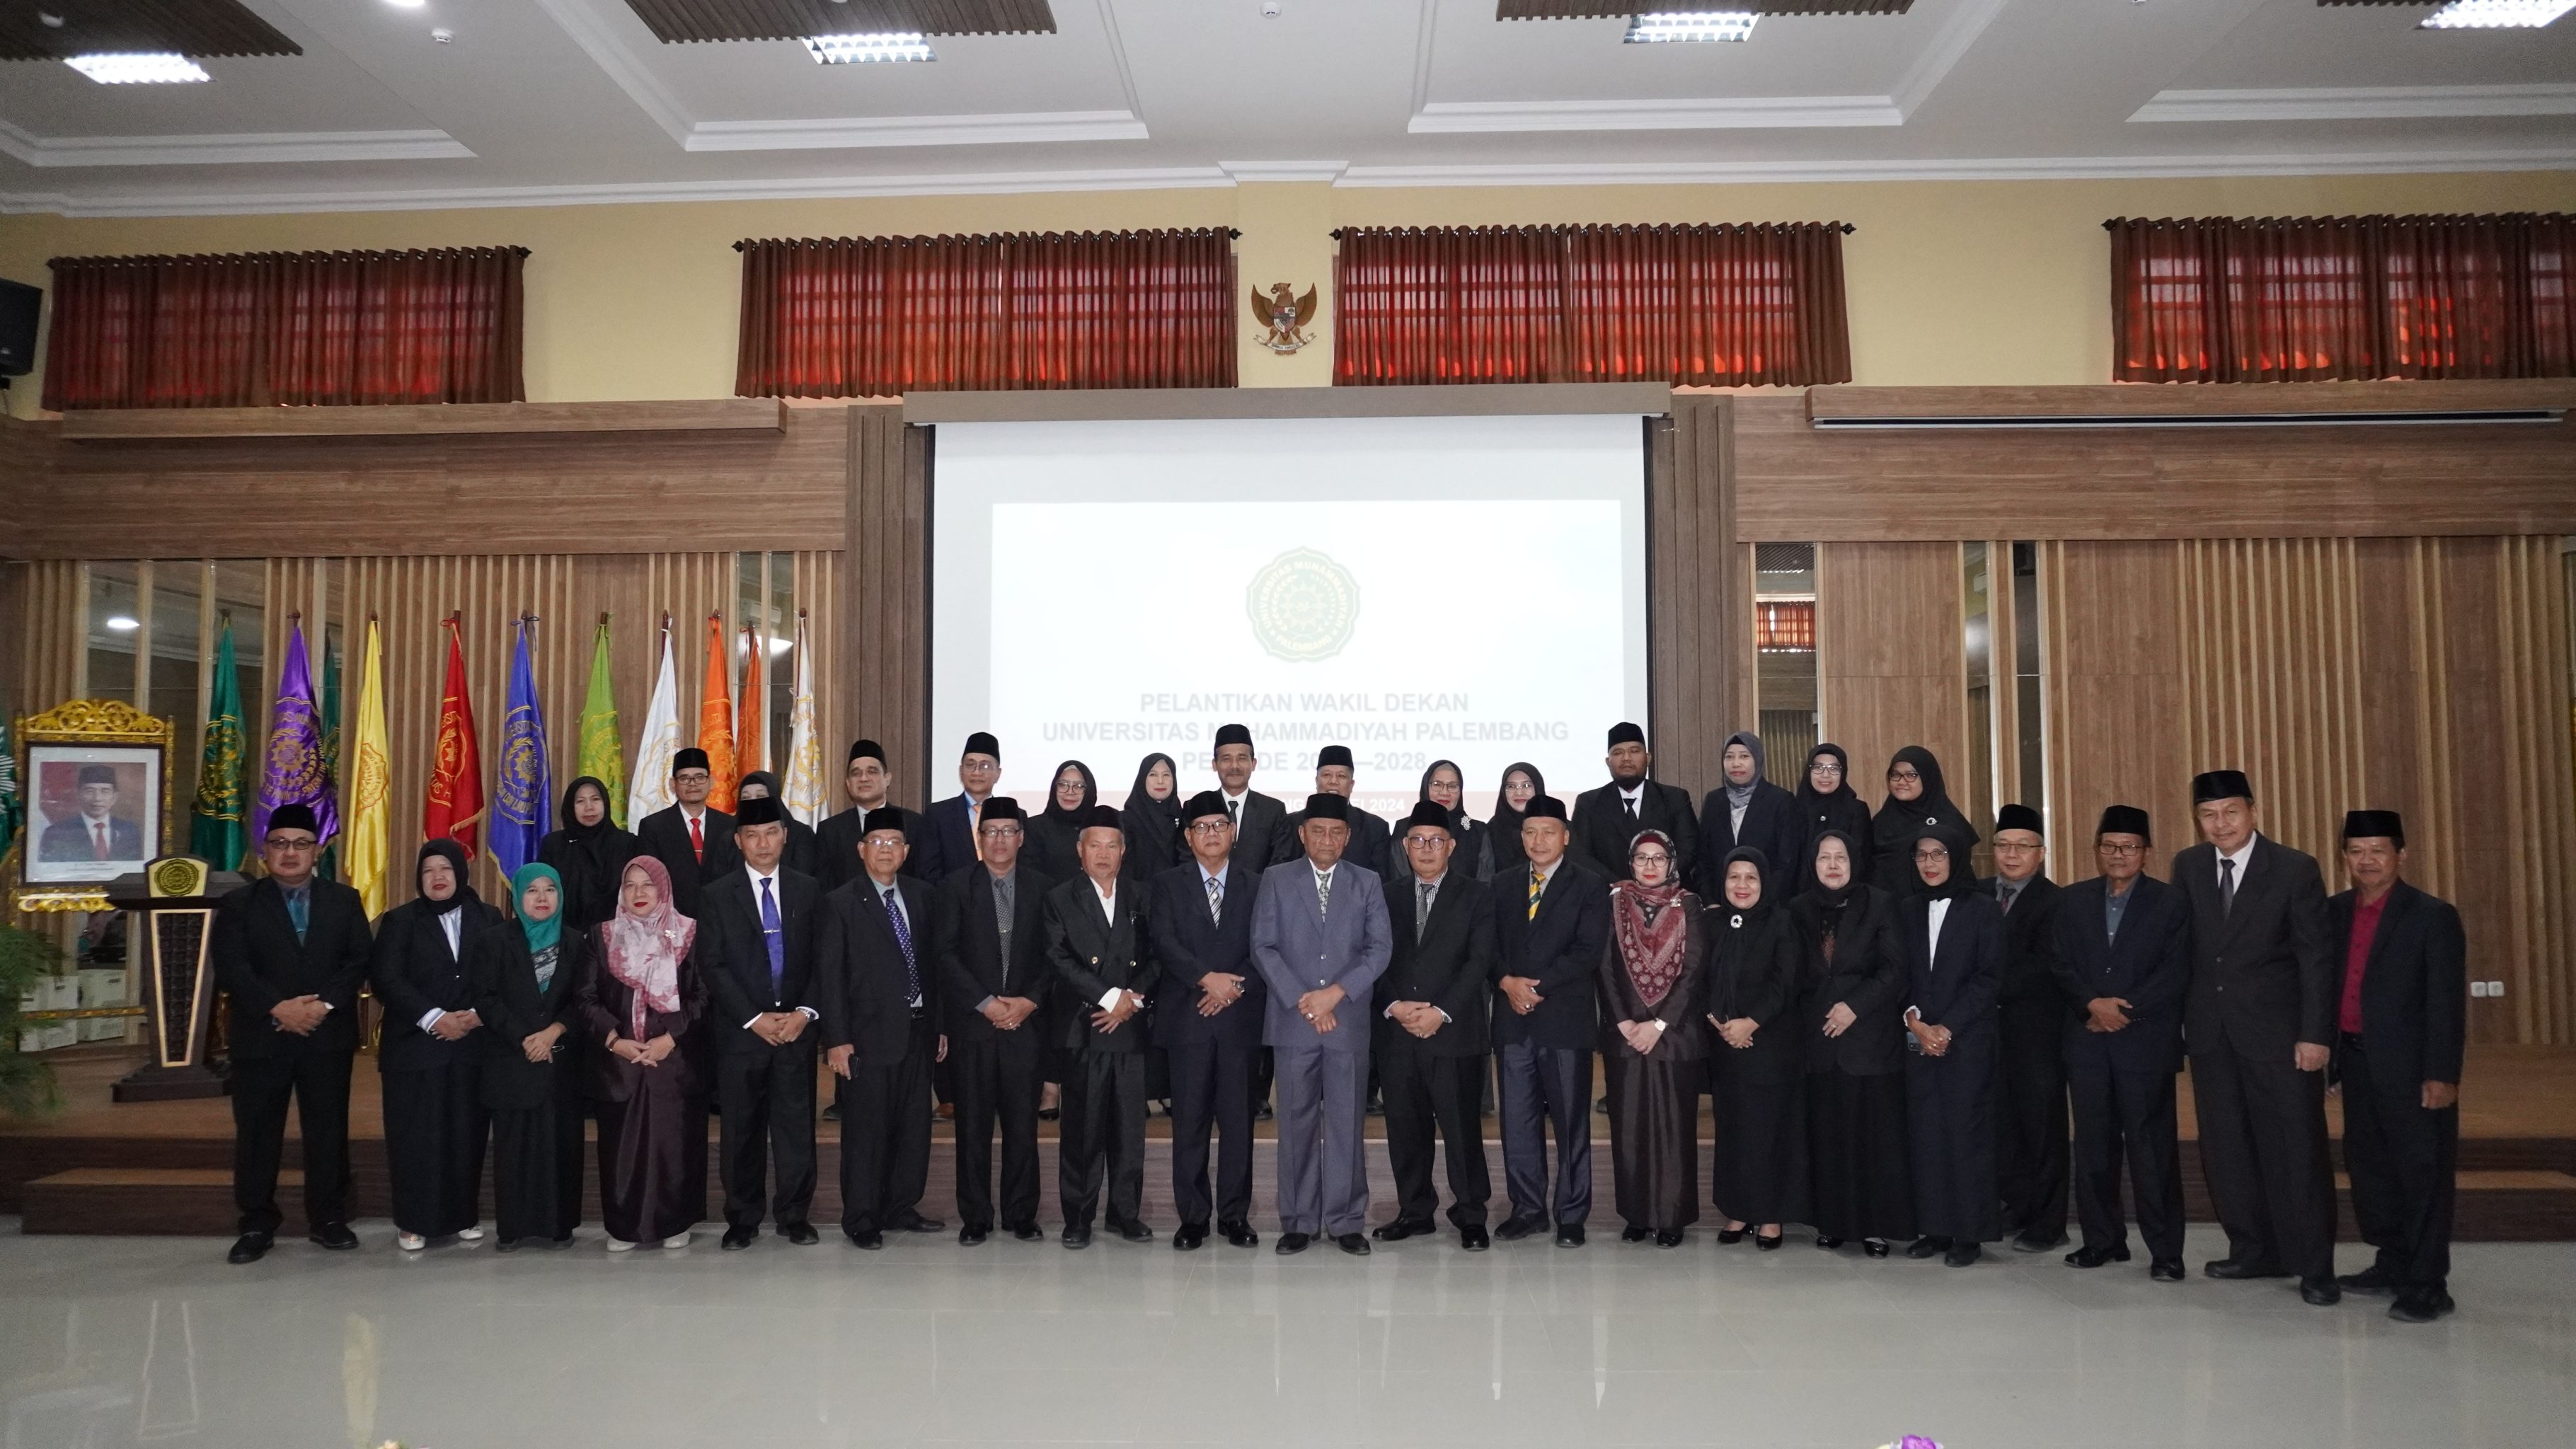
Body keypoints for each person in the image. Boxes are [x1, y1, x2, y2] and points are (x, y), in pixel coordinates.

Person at [2175, 769, 2339, 1305]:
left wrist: (2315, 1035)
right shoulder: (2189, 866)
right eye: (2208, 814)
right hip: (2212, 1036)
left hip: (2280, 1038)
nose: (2220, 824)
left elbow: (2316, 958)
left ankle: (2314, 1265)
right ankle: (2253, 1249)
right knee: (2228, 1149)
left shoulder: (2294, 868)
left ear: (2253, 811)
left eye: (2231, 812)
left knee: (2296, 1150)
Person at [212, 803, 372, 1264]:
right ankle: (257, 1223)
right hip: (262, 1037)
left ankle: (329, 1218)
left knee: (328, 1129)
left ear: (317, 851)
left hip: (326, 1035)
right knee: (258, 1133)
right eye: (279, 843)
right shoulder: (239, 904)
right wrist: (277, 1007)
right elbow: (232, 967)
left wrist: (321, 1006)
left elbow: (359, 960)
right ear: (265, 851)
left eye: (301, 844)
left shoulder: (344, 900)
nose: (290, 852)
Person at [2329, 810, 2467, 1324]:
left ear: (2401, 855)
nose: (2366, 860)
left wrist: (2442, 1074)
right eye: (2356, 851)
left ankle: (2428, 1283)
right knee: (2371, 1171)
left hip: (2413, 1071)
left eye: (2377, 851)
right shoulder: (2335, 912)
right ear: (2345, 858)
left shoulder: (2432, 916)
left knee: (2422, 1173)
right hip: (2356, 1063)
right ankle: (2392, 1262)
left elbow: (2446, 1003)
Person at [1250, 792, 1393, 1256]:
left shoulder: (1367, 882)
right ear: (1302, 834)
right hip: (1294, 1021)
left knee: (1347, 1123)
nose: (1326, 839)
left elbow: (1379, 949)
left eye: (1336, 832)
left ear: (1347, 837)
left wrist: (1336, 993)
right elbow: (1263, 946)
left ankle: (1346, 1220)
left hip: (1346, 1020)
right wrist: (1304, 1000)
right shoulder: (1277, 879)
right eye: (1318, 831)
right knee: (1295, 1123)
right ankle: (1299, 1221)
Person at [2051, 805, 2190, 1281]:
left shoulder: (2172, 903)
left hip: (2144, 1045)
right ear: (2097, 850)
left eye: (2129, 847)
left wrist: (2120, 1011)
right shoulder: (2072, 901)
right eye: (2109, 846)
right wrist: (2091, 1004)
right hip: (2087, 1043)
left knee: (2153, 1151)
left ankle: (2166, 1252)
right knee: (2094, 1148)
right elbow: (2059, 962)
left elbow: (2175, 971)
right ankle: (2102, 1241)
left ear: (2146, 852)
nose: (2118, 854)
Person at [698, 795, 823, 1250]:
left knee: (795, 1129)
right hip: (742, 1033)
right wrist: (753, 1018)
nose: (763, 843)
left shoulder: (810, 889)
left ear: (785, 836)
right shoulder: (716, 894)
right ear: (738, 841)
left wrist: (804, 1013)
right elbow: (712, 965)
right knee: (740, 1130)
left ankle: (795, 1216)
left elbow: (823, 959)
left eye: (771, 833)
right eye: (752, 835)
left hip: (795, 1030)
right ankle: (742, 1218)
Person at [817, 808, 945, 1247]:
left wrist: (940, 1026)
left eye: (894, 843)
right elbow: (830, 977)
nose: (886, 850)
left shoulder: (924, 896)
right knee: (866, 1132)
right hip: (866, 1038)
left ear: (906, 851)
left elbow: (933, 967)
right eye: (877, 842)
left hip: (919, 1031)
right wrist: (837, 1040)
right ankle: (862, 1218)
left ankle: (900, 1207)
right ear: (861, 849)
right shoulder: (840, 902)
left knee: (913, 1127)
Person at [1373, 800, 1497, 1249]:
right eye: (1418, 841)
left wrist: (1440, 1011)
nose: (1426, 848)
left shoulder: (1477, 895)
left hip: (1455, 1032)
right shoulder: (1384, 895)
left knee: (1462, 1130)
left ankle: (1471, 1215)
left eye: (1436, 841)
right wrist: (1394, 1005)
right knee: (1405, 1129)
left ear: (1452, 846)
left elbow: (1479, 961)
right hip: (1398, 1033)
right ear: (1405, 847)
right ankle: (1415, 1211)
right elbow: (1371, 957)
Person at [1490, 793, 1609, 1247]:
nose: (1538, 840)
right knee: (1517, 1122)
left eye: (1548, 832)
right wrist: (1507, 982)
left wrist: (1535, 988)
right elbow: (1487, 946)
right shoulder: (1501, 884)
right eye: (1530, 832)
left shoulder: (1590, 885)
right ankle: (1528, 1210)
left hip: (1564, 1020)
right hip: (1513, 1019)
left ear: (1566, 836)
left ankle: (1572, 1214)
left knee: (1571, 1121)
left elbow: (1587, 951)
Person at [370, 838, 501, 1252]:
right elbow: (387, 980)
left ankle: (463, 1216)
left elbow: (502, 975)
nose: (437, 877)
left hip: (472, 1046)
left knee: (466, 1135)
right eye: (428, 870)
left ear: (460, 873)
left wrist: (476, 1015)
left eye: (445, 868)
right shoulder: (400, 921)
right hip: (414, 1049)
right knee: (416, 1138)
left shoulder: (489, 917)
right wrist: (433, 1018)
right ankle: (414, 1222)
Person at [1147, 790, 1265, 1250]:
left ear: (1232, 832)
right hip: (1188, 1018)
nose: (1211, 834)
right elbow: (1163, 941)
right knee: (1189, 1124)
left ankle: (1235, 1216)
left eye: (1219, 825)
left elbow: (1266, 945)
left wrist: (1234, 987)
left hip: (1240, 1019)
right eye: (1201, 827)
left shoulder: (1258, 884)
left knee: (1238, 1126)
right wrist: (1206, 979)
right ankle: (1193, 1217)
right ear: (1188, 837)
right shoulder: (1167, 884)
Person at [936, 795, 1054, 1245]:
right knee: (973, 1126)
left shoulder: (1044, 888)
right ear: (978, 837)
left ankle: (1021, 1214)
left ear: (1021, 838)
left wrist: (1029, 1002)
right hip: (974, 1026)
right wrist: (985, 1003)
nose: (999, 840)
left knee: (1023, 1126)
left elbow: (1054, 955)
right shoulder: (955, 886)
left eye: (1008, 832)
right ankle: (976, 1216)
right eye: (991, 832)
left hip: (1026, 1024)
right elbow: (945, 954)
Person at [579, 855, 710, 1251]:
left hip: (673, 1060)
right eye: (630, 884)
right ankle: (623, 1227)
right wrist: (615, 1041)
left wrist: (670, 1038)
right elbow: (585, 998)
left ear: (663, 888)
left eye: (648, 884)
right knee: (621, 1148)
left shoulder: (689, 933)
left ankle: (675, 1222)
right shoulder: (602, 935)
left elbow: (703, 997)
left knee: (674, 1145)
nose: (639, 893)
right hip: (620, 1061)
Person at [1790, 830, 1911, 1257]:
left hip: (1869, 1040)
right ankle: (1832, 1223)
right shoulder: (1798, 909)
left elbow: (1895, 969)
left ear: (1854, 862)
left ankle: (1874, 1227)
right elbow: (1793, 974)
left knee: (1872, 1138)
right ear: (1813, 863)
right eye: (1824, 857)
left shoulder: (1881, 903)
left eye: (1840, 856)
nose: (1833, 865)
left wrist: (1854, 1007)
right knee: (1828, 1137)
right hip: (1819, 1042)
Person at [1045, 804, 1159, 1247]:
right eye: (1095, 845)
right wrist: (1109, 997)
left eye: (1112, 846)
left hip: (1130, 1026)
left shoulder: (1142, 896)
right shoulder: (1060, 898)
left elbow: (1158, 956)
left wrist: (1131, 999)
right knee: (1083, 1130)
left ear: (1124, 851)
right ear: (1080, 850)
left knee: (1130, 1131)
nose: (1104, 854)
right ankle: (1078, 1217)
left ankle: (1125, 1214)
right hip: (1085, 1025)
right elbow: (1058, 958)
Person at [1899, 826, 2006, 1266]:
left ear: (1956, 857)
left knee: (1967, 1136)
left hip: (1968, 1040)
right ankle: (1936, 1228)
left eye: (1938, 854)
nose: (1929, 863)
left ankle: (1970, 1233)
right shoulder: (1905, 908)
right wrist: (1914, 1021)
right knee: (1926, 1135)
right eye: (1921, 855)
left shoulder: (1983, 909)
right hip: (1918, 1039)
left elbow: (1989, 976)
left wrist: (1946, 1028)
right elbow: (1898, 973)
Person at [468, 863, 587, 1251]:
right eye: (532, 890)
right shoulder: (494, 941)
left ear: (560, 895)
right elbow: (485, 998)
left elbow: (584, 1000)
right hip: (510, 1058)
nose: (541, 898)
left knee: (561, 1146)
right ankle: (512, 1227)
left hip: (561, 1060)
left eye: (549, 889)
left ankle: (560, 1226)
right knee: (514, 1148)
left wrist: (553, 1032)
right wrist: (524, 1038)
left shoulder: (577, 942)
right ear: (518, 897)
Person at [1597, 829, 1705, 1247]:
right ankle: (1637, 1215)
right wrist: (1624, 1022)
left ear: (1671, 862)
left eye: (1658, 858)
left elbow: (1693, 968)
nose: (1649, 866)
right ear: (1631, 862)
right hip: (1625, 1035)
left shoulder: (1689, 903)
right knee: (1629, 1128)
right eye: (1641, 858)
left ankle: (1672, 1217)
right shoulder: (1614, 901)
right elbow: (1604, 966)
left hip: (1674, 1035)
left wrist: (1658, 1025)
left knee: (1674, 1128)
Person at [1703, 846, 1806, 1249]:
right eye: (1734, 877)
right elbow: (1699, 977)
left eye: (1751, 877)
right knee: (1734, 1131)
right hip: (1726, 1045)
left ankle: (1770, 1216)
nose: (1742, 885)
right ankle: (1739, 1210)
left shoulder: (1782, 921)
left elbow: (1786, 981)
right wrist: (1719, 1022)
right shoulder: (1712, 923)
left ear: (1764, 883)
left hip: (1771, 1045)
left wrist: (1751, 1022)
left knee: (1769, 1132)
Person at [1985, 802, 2069, 1253]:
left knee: (2042, 1130)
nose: (2012, 854)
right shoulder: (1977, 894)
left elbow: (2046, 966)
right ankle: (2017, 1205)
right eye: (2004, 845)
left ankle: (2050, 1223)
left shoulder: (2057, 901)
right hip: (1987, 1035)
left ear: (2041, 853)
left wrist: (1981, 988)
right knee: (2002, 1126)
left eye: (2023, 846)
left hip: (2037, 1037)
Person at [1572, 723, 1698, 887]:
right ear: (1608, 762)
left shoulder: (1674, 798)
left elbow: (1689, 850)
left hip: (1668, 892)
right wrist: (1618, 884)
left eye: (1634, 751)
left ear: (1648, 758)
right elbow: (1581, 855)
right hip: (1608, 893)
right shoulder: (1589, 802)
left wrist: (1653, 880)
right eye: (1618, 753)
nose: (1626, 758)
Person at [634, 747, 737, 919]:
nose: (693, 784)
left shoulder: (729, 825)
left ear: (711, 782)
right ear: (672, 784)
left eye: (699, 777)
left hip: (722, 917)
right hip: (672, 920)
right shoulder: (653, 827)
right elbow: (650, 879)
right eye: (684, 778)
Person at [1698, 732, 1801, 901]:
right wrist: (1711, 902)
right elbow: (1703, 859)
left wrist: (1766, 903)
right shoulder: (1714, 800)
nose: (1736, 763)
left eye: (1744, 756)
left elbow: (1787, 862)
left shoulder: (1780, 800)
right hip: (1721, 905)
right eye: (1729, 757)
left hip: (1768, 905)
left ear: (1758, 759)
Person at [539, 775, 642, 935]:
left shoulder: (627, 844)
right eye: (580, 801)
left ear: (605, 803)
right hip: (562, 936)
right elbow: (546, 891)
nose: (589, 807)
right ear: (570, 806)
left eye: (595, 799)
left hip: (615, 935)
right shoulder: (554, 844)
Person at [816, 739, 924, 891]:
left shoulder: (914, 824)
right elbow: (825, 888)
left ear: (887, 779)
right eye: (856, 773)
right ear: (848, 783)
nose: (864, 778)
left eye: (872, 772)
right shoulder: (830, 830)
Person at [1866, 747, 1976, 897]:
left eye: (1911, 775)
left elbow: (1960, 877)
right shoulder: (1882, 820)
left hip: (1932, 906)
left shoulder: (1950, 823)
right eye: (1895, 775)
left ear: (1927, 777)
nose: (1901, 781)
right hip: (1884, 906)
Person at [1274, 745, 1393, 878]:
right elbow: (1280, 872)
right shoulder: (1291, 823)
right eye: (1326, 775)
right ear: (1316, 781)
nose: (1333, 782)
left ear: (1352, 785)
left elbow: (1381, 880)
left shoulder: (1375, 827)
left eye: (1341, 776)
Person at [916, 732, 1004, 884]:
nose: (977, 772)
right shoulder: (938, 815)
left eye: (985, 766)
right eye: (970, 765)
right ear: (960, 771)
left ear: (998, 774)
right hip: (952, 897)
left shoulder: (1012, 816)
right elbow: (929, 872)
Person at [1792, 746, 1872, 895]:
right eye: (1818, 767)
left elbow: (1860, 860)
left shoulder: (1856, 810)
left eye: (1834, 768)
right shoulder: (1794, 809)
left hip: (1844, 896)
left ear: (1843, 772)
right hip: (1799, 897)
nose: (1825, 775)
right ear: (1809, 771)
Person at [1211, 722, 1290, 867]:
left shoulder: (1273, 811)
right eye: (1226, 759)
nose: (1234, 766)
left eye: (1241, 758)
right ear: (1215, 765)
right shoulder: (1198, 808)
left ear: (1253, 763)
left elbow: (1280, 863)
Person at [38, 763, 144, 862]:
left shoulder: (129, 831)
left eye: (105, 791)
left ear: (114, 797)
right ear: (78, 795)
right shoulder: (57, 832)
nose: (97, 798)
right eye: (89, 791)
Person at [735, 769, 820, 879]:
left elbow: (803, 878)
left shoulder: (800, 833)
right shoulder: (729, 837)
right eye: (746, 798)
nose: (753, 803)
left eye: (760, 796)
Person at [1025, 759, 1098, 885]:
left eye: (1079, 786)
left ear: (1089, 791)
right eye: (1063, 785)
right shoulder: (1035, 827)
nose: (1070, 792)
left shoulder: (1099, 827)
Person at [1418, 759, 1494, 881]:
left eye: (1452, 786)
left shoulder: (1478, 831)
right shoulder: (1405, 828)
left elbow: (1485, 882)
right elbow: (1400, 883)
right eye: (1437, 784)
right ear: (1426, 786)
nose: (1444, 792)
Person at [1121, 753, 1185, 883]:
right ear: (1142, 779)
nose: (1160, 781)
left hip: (1179, 893)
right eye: (1153, 775)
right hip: (1137, 893)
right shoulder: (1125, 821)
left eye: (1166, 775)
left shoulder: (1185, 819)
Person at [1487, 762, 1543, 875]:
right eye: (1511, 787)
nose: (1519, 792)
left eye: (1526, 786)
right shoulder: (1491, 831)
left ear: (1537, 788)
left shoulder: (1557, 828)